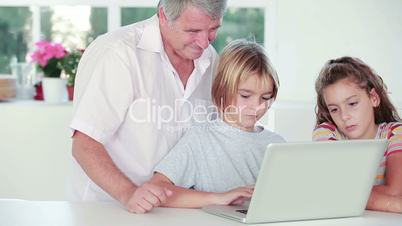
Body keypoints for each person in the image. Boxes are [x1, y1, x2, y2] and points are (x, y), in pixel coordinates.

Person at [70, 0, 228, 212]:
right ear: (163, 16)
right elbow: (84, 144)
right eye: (193, 30)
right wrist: (128, 193)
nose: (204, 42)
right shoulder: (118, 53)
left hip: (178, 209)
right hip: (108, 209)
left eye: (213, 29)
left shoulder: (210, 59)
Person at [130, 40, 285, 213]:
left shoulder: (277, 144)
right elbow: (158, 189)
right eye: (246, 95)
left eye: (265, 98)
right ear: (222, 89)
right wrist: (218, 198)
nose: (257, 106)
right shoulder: (200, 138)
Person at [312, 56, 402, 213]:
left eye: (352, 104)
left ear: (373, 98)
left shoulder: (395, 133)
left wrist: (348, 195)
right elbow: (331, 193)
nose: (344, 116)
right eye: (334, 109)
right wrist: (394, 204)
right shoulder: (326, 132)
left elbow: (396, 190)